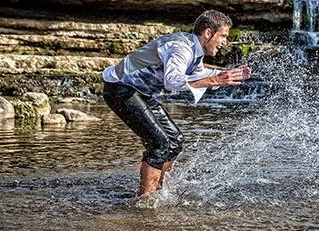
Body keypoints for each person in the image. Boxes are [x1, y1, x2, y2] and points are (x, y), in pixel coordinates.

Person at [102, 10, 251, 195]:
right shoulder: (182, 48)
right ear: (207, 32)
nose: (224, 43)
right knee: (159, 142)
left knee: (174, 141)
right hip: (120, 88)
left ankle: (158, 191)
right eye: (223, 36)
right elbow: (172, 81)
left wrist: (227, 76)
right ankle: (145, 201)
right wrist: (217, 79)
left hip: (140, 93)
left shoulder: (195, 52)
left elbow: (197, 76)